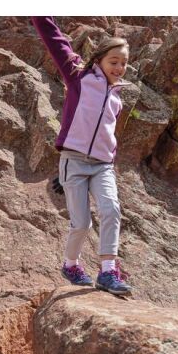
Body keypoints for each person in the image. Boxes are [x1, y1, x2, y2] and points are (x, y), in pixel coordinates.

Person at [30, 16, 133, 296]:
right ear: (99, 59)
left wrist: (109, 159)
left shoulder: (117, 98)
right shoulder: (79, 78)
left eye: (123, 63)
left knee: (111, 210)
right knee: (82, 224)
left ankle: (108, 271)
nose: (119, 68)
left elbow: (105, 134)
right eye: (114, 61)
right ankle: (71, 264)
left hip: (102, 166)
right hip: (74, 162)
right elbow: (55, 41)